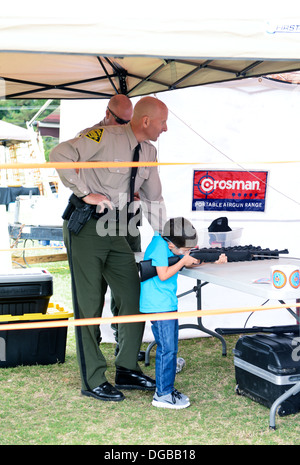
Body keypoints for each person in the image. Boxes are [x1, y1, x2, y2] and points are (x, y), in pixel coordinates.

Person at [50, 96, 168, 402]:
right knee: (89, 305)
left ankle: (127, 368)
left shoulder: (149, 152)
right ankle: (92, 380)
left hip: (118, 229)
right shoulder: (104, 135)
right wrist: (86, 192)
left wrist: (169, 240)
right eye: (162, 122)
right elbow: (60, 153)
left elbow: (154, 198)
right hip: (87, 226)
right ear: (145, 121)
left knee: (131, 297)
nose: (165, 128)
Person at [139, 217, 227, 409]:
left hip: (165, 302)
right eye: (185, 250)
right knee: (167, 349)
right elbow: (163, 274)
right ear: (172, 244)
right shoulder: (159, 247)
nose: (186, 253)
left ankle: (166, 390)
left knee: (170, 348)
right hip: (159, 305)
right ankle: (162, 395)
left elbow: (187, 262)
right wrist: (183, 260)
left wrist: (213, 261)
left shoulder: (167, 244)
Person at [77, 94, 142, 355]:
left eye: (129, 122)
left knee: (127, 282)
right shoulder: (92, 136)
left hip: (129, 217)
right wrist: (92, 193)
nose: (124, 126)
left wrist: (134, 189)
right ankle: (90, 344)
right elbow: (73, 171)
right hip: (99, 217)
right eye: (120, 120)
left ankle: (123, 341)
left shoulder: (133, 139)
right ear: (107, 113)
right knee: (94, 287)